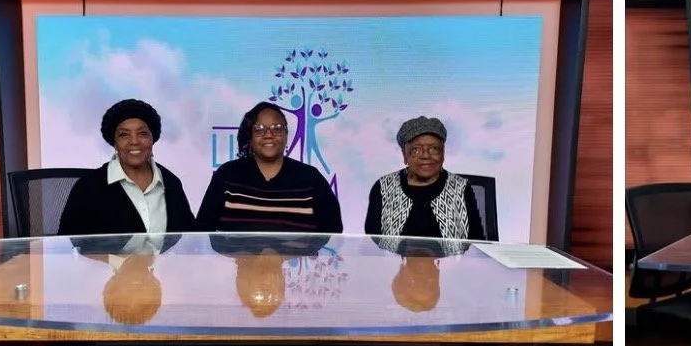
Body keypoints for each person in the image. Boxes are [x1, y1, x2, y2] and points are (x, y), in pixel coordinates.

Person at [195, 101, 343, 232]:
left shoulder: (311, 179)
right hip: (236, 263)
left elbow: (332, 235)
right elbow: (202, 231)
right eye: (259, 129)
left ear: (286, 135)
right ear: (250, 137)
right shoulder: (227, 176)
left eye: (277, 128)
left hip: (296, 264)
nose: (269, 135)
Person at [58, 99, 196, 235]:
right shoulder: (87, 188)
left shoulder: (171, 183)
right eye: (124, 135)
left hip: (166, 258)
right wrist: (116, 259)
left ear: (152, 139)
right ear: (114, 143)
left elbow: (190, 241)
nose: (134, 141)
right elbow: (68, 245)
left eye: (142, 134)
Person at [364, 116, 488, 240]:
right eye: (416, 150)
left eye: (434, 149)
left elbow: (477, 243)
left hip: (451, 259)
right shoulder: (383, 187)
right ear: (404, 154)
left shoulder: (461, 188)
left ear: (443, 153)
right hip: (396, 260)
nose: (425, 155)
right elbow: (374, 244)